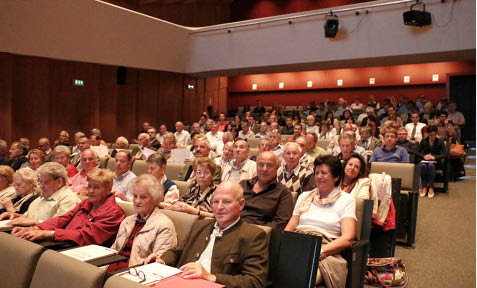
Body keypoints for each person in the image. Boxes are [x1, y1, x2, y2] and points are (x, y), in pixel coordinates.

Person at [146, 181, 269, 288]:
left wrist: (211, 277)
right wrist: (161, 261)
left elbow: (255, 281)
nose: (219, 207)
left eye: (226, 202)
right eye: (215, 202)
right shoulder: (199, 225)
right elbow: (177, 252)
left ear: (241, 204)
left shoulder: (254, 235)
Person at [285, 155, 356, 287]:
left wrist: (319, 252)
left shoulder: (347, 200)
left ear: (336, 177)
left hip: (326, 250)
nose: (319, 176)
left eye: (324, 173)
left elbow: (348, 238)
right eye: (317, 173)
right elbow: (290, 228)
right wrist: (284, 247)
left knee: (299, 276)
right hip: (299, 244)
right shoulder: (304, 196)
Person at [11, 169, 125, 246]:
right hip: (64, 241)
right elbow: (63, 219)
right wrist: (36, 228)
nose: (90, 191)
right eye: (89, 186)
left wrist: (49, 233)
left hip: (81, 250)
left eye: (96, 188)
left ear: (109, 189)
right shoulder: (87, 202)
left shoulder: (113, 212)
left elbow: (86, 236)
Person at [107, 174, 177, 272]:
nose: (137, 201)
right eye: (135, 196)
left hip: (134, 273)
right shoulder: (128, 221)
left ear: (155, 199)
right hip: (111, 267)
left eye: (143, 197)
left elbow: (158, 263)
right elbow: (114, 250)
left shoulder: (164, 225)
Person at [0, 162, 80, 225]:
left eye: (45, 182)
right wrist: (14, 215)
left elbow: (58, 225)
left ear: (59, 182)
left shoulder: (68, 199)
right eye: (39, 182)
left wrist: (33, 222)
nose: (40, 186)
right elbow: (26, 217)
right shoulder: (40, 198)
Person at [240, 151, 293, 230]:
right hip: (235, 229)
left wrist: (257, 232)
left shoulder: (283, 193)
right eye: (261, 165)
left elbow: (280, 223)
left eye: (269, 165)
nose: (264, 169)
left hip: (260, 234)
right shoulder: (243, 184)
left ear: (277, 168)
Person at [417, 125, 446, 199]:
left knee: (431, 166)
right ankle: (424, 187)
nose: (432, 136)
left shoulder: (440, 141)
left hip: (436, 162)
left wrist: (435, 157)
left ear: (436, 134)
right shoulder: (424, 140)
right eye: (430, 135)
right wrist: (424, 156)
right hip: (425, 160)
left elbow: (445, 154)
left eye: (433, 135)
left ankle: (431, 187)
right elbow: (417, 152)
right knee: (423, 166)